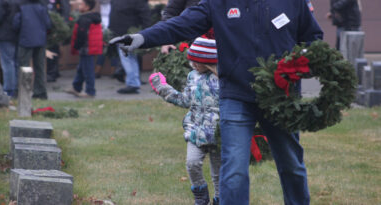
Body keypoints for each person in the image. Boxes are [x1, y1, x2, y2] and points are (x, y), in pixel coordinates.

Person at [110, 0, 323, 204]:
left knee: (291, 166)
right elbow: (183, 23)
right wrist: (144, 38)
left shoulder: (293, 1)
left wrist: (303, 64)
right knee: (234, 171)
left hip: (281, 97)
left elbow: (313, 37)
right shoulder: (219, 1)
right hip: (236, 95)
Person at [149, 36, 220, 205]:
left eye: (198, 61)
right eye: (192, 60)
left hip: (219, 134)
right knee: (192, 163)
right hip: (195, 131)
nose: (194, 64)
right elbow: (185, 100)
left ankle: (220, 199)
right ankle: (201, 197)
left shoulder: (223, 79)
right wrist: (162, 88)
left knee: (219, 173)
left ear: (209, 61)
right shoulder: (192, 76)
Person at [108, 0, 150, 94]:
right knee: (130, 58)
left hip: (127, 33)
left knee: (128, 59)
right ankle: (133, 82)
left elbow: (145, 16)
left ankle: (133, 83)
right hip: (124, 32)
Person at [13, 0, 52, 100]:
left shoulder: (21, 6)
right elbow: (48, 24)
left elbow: (16, 24)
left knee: (24, 66)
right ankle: (40, 92)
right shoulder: (42, 6)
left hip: (25, 40)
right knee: (39, 67)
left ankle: (24, 92)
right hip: (40, 40)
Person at [65, 0, 103, 98]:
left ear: (87, 7)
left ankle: (90, 91)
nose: (79, 6)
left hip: (86, 48)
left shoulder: (84, 19)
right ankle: (76, 87)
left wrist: (76, 46)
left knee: (88, 70)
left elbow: (81, 34)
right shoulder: (93, 17)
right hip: (91, 47)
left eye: (81, 4)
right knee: (81, 68)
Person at [0, 0, 19, 97]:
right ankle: (17, 88)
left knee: (7, 63)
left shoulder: (1, 1)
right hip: (18, 35)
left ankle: (8, 90)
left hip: (5, 35)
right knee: (16, 63)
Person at [43, 0, 71, 82]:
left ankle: (52, 73)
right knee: (51, 49)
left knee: (52, 49)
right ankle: (53, 72)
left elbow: (65, 8)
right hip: (48, 24)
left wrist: (62, 24)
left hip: (54, 26)